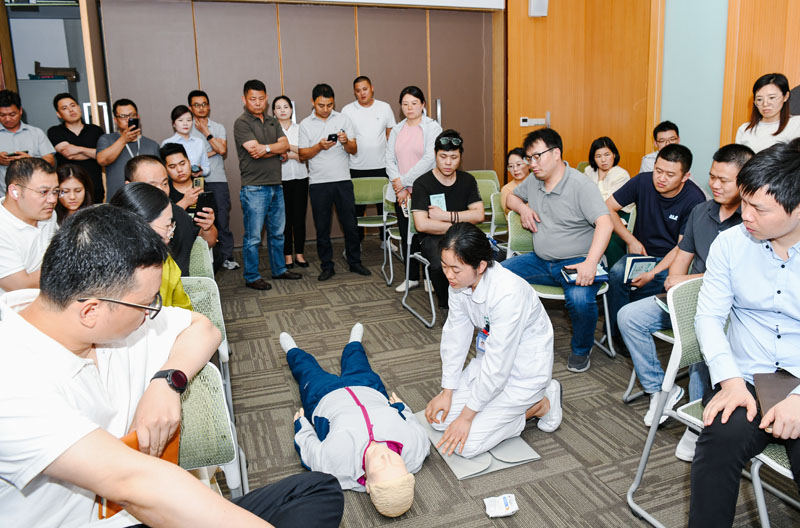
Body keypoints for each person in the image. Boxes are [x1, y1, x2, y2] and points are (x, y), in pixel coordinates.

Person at [0, 205, 345, 528]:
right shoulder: (12, 381)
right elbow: (132, 483)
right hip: (104, 512)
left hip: (138, 507)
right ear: (91, 311)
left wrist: (167, 381)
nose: (153, 313)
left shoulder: (108, 321)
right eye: (146, 304)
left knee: (317, 491)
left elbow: (204, 328)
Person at [617, 144, 753, 461]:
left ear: (745, 181)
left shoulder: (751, 222)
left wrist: (688, 281)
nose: (715, 185)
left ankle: (697, 426)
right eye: (712, 177)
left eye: (724, 180)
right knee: (629, 317)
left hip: (728, 308)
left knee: (702, 346)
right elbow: (682, 256)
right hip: (688, 297)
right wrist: (673, 279)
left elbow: (739, 278)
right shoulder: (701, 212)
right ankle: (659, 389)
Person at [689, 139, 800, 527]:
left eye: (759, 208)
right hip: (747, 376)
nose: (745, 215)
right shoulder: (731, 244)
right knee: (718, 442)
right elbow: (708, 316)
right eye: (745, 201)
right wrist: (731, 381)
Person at [424, 223, 562, 458]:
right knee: (439, 421)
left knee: (466, 446)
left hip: (522, 374)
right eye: (445, 266)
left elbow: (499, 362)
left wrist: (467, 416)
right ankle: (490, 409)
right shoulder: (459, 284)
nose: (448, 275)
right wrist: (447, 391)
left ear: (481, 266)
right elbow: (455, 337)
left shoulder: (508, 293)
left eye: (455, 269)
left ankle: (541, 404)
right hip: (487, 364)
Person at [283, 322, 429, 517]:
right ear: (408, 473)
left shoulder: (337, 465)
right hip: (369, 389)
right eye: (397, 464)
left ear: (368, 485)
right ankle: (354, 343)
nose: (386, 458)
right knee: (358, 362)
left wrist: (302, 426)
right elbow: (414, 426)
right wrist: (402, 408)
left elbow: (311, 452)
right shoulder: (416, 449)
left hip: (324, 397)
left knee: (307, 371)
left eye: (381, 467)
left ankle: (292, 350)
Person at [502, 128, 613, 373]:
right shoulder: (534, 181)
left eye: (537, 157)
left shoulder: (580, 185)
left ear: (556, 153)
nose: (532, 164)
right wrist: (523, 208)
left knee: (580, 299)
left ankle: (582, 349)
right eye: (529, 158)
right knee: (497, 276)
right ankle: (509, 337)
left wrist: (590, 263)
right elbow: (510, 198)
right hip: (541, 261)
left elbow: (605, 224)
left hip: (577, 261)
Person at [605, 144, 706, 337]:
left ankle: (634, 327)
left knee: (656, 285)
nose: (661, 178)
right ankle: (617, 334)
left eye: (670, 174)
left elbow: (681, 248)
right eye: (658, 171)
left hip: (671, 261)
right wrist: (631, 240)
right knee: (616, 274)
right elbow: (608, 207)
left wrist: (652, 273)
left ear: (685, 177)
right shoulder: (642, 181)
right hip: (642, 256)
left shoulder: (695, 200)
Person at [298, 83, 371, 281]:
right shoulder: (305, 124)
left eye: (329, 105)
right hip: (318, 183)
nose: (326, 109)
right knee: (322, 227)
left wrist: (346, 141)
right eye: (321, 105)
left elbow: (354, 149)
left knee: (350, 225)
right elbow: (302, 154)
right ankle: (327, 266)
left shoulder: (343, 119)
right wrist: (319, 146)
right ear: (313, 102)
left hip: (343, 181)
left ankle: (355, 262)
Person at [234, 79, 300, 291]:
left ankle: (279, 269)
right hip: (254, 187)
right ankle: (252, 276)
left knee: (278, 233)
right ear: (244, 99)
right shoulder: (242, 123)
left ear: (266, 98)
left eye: (261, 98)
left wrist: (268, 149)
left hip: (276, 185)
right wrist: (275, 149)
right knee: (253, 237)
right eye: (252, 99)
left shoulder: (273, 121)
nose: (257, 102)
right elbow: (254, 150)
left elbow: (285, 144)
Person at [410, 129, 484, 309]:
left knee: (487, 258)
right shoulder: (422, 183)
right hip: (433, 237)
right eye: (443, 157)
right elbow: (422, 224)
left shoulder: (467, 180)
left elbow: (479, 214)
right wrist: (460, 222)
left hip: (463, 235)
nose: (448, 162)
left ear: (460, 157)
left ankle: (480, 301)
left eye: (454, 157)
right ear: (435, 155)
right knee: (440, 265)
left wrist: (445, 216)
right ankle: (449, 306)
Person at [385, 86, 442, 292]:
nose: (409, 108)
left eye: (414, 103)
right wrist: (399, 185)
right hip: (401, 193)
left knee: (427, 234)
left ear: (423, 104)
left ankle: (429, 277)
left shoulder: (432, 127)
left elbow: (429, 159)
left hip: (425, 189)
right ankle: (411, 277)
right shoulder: (397, 129)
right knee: (406, 234)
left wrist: (404, 181)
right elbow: (389, 159)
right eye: (405, 104)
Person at [125, 155, 217, 276]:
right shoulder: (123, 222)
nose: (161, 191)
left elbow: (209, 242)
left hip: (181, 283)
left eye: (164, 183)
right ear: (130, 186)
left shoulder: (176, 212)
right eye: (152, 186)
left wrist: (207, 228)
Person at [109, 182, 191, 310]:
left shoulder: (166, 262)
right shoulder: (105, 274)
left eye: (172, 224)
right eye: (167, 226)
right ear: (140, 227)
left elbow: (184, 309)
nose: (171, 232)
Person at [342, 76, 396, 242]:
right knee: (357, 208)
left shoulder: (384, 107)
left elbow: (391, 134)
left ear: (372, 88)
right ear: (354, 92)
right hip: (356, 166)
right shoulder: (347, 110)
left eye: (365, 89)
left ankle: (385, 241)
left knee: (384, 207)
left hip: (381, 166)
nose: (362, 93)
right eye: (358, 91)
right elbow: (345, 139)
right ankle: (356, 243)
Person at [189, 89, 239, 270]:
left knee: (222, 220)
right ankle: (203, 260)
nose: (201, 108)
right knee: (199, 221)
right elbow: (189, 157)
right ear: (191, 107)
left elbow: (222, 150)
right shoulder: (187, 128)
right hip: (195, 181)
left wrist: (206, 132)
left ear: (209, 106)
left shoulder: (217, 127)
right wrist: (211, 151)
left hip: (217, 179)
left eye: (204, 104)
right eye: (197, 105)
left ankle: (226, 257)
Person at [0, 158, 58, 294]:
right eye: (43, 192)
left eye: (56, 191)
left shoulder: (48, 214)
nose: (53, 200)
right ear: (15, 192)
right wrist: (66, 265)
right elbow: (20, 285)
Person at [97, 98, 160, 201]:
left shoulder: (152, 145)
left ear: (138, 117)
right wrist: (123, 140)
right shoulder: (107, 140)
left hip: (146, 200)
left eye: (131, 115)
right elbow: (102, 160)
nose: (128, 120)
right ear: (115, 120)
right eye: (123, 116)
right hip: (117, 200)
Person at [273, 95, 309, 270]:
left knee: (299, 218)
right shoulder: (271, 131)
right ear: (274, 112)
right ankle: (287, 255)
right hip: (280, 180)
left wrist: (286, 149)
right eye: (278, 107)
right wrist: (294, 152)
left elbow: (305, 154)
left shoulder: (300, 128)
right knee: (284, 221)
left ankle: (299, 254)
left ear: (291, 109)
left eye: (286, 107)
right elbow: (274, 156)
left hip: (301, 178)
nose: (282, 110)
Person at [47, 93, 105, 203]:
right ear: (59, 114)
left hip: (95, 186)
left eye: (73, 105)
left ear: (79, 107)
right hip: (68, 189)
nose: (71, 110)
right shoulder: (55, 131)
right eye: (64, 108)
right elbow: (69, 154)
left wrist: (79, 149)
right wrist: (94, 154)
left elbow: (104, 156)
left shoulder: (96, 130)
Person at [584, 136, 632, 267]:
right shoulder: (589, 171)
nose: (603, 160)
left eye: (607, 154)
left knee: (609, 242)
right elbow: (584, 195)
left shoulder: (621, 174)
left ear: (614, 155)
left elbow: (605, 202)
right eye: (598, 156)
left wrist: (600, 180)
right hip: (593, 214)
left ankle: (613, 273)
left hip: (618, 215)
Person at [0, 89, 56, 197]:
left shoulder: (36, 133)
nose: (7, 119)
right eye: (2, 115)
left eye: (12, 114)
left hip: (35, 195)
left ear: (20, 111)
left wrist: (30, 160)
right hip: (3, 195)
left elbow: (51, 161)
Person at [735, 73, 800, 153]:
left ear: (786, 96)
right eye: (759, 99)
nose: (765, 104)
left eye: (771, 97)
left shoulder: (796, 124)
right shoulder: (744, 129)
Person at [161, 105, 210, 177]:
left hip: (197, 181)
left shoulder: (199, 142)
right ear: (173, 124)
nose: (185, 124)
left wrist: (201, 171)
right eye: (180, 120)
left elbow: (207, 168)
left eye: (188, 120)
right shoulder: (167, 143)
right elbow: (164, 170)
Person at [161, 142, 203, 214]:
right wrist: (185, 202)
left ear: (189, 162)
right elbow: (162, 218)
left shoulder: (202, 185)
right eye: (172, 167)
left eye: (182, 164)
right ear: (165, 169)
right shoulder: (164, 192)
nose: (179, 170)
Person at [500, 147, 529, 215]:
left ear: (528, 163)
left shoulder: (539, 181)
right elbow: (510, 215)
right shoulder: (506, 189)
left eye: (518, 164)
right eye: (511, 166)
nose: (515, 169)